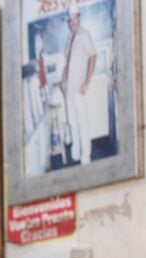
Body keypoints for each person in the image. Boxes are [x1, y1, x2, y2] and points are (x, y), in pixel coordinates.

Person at [60, 8, 97, 165]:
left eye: (75, 19)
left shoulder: (84, 35)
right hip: (68, 88)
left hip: (79, 87)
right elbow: (67, 62)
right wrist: (62, 79)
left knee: (83, 122)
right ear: (68, 22)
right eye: (70, 20)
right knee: (73, 122)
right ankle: (75, 153)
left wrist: (87, 82)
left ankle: (86, 156)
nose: (72, 22)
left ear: (79, 19)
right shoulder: (69, 37)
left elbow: (93, 56)